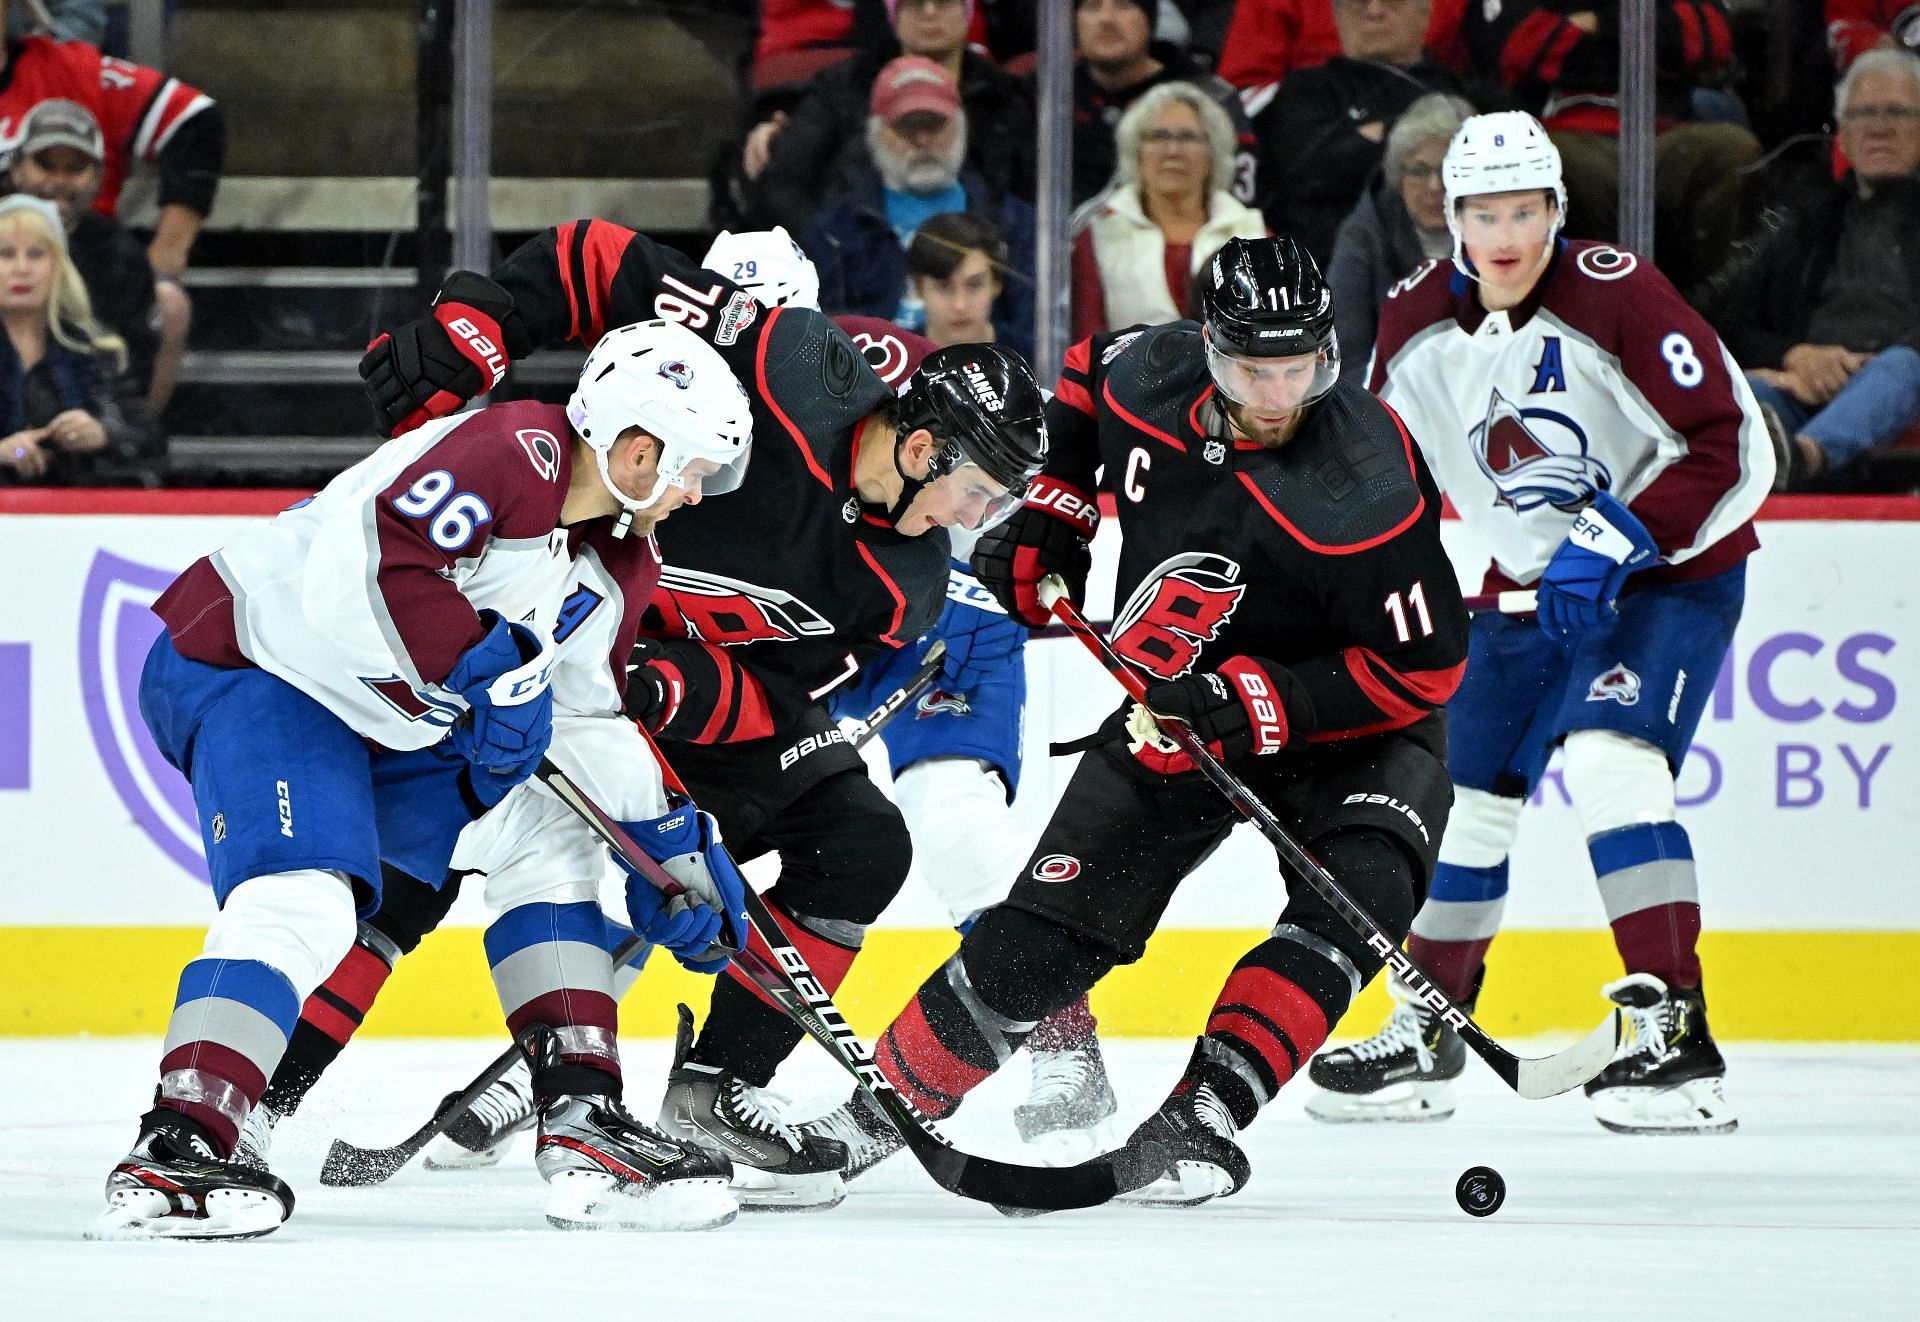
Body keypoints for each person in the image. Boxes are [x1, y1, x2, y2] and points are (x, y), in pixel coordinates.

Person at [251, 220, 1050, 1214]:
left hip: (656, 701)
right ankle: (253, 1101)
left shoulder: (908, 584)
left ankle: (712, 1089)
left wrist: (670, 693)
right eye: (975, 491)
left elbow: (789, 699)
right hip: (532, 626)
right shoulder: (789, 362)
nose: (976, 519)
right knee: (416, 863)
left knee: (858, 837)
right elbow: (601, 260)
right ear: (922, 445)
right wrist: (482, 316)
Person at [801, 235, 1470, 1207]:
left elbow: (1427, 665)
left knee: (1357, 896)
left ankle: (1203, 1109)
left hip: (1351, 720)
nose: (1280, 392)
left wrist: (1252, 702)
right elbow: (1081, 383)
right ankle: (874, 1112)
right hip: (1177, 706)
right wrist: (1054, 517)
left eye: (1300, 366)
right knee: (1046, 926)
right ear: (1207, 347)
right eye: (1253, 366)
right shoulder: (1146, 372)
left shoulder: (1366, 480)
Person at [89, 317, 759, 1239]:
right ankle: (179, 1145)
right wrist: (485, 665)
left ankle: (582, 1117)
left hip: (387, 721)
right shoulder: (512, 449)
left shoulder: (613, 556)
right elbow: (364, 569)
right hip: (258, 668)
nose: (694, 492)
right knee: (307, 897)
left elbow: (591, 717)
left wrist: (672, 849)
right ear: (637, 449)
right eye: (689, 467)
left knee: (548, 832)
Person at [1312, 110, 1772, 1135]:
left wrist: (1612, 539)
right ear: (1451, 216)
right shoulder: (1410, 319)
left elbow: (1730, 443)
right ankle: (1429, 1026)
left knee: (1614, 764)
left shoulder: (1619, 293)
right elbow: (1389, 478)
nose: (1506, 232)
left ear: (1558, 211)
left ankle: (1675, 1036)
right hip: (1523, 588)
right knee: (1464, 796)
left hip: (1665, 579)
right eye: (1484, 211)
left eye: (1526, 209)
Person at [1706, 48, 1920, 491]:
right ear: (1842, 135)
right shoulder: (1804, 218)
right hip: (1808, 390)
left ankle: (1802, 459)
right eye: (1863, 114)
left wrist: (1867, 372)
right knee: (1740, 392)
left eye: (1899, 112)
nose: (1880, 127)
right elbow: (1730, 322)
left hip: (1903, 383)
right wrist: (1793, 357)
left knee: (1902, 367)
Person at [1461, 0, 1760, 295]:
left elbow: (1711, 35)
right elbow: (1519, 48)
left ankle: (1709, 305)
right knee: (1565, 166)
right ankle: (1607, 304)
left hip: (1662, 132)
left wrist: (1600, 24)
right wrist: (1647, 45)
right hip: (1567, 130)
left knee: (1732, 150)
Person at [0, 1, 224, 385]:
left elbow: (195, 118)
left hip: (89, 281)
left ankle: (128, 439)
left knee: (166, 304)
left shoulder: (73, 70)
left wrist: (167, 254)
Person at [800, 55, 1037, 359]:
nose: (924, 140)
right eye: (907, 127)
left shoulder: (1016, 224)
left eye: (936, 125)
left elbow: (1038, 335)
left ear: (961, 125)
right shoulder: (833, 234)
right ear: (875, 132)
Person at [746, 0, 1033, 234]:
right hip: (854, 275)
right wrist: (831, 246)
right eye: (914, 2)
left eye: (944, 1)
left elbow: (1031, 196)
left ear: (967, 11)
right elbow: (780, 187)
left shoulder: (1006, 97)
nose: (929, 11)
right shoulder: (842, 86)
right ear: (894, 13)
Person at [1252, 0, 1498, 270]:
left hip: (1464, 262)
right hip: (1332, 262)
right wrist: (1416, 135)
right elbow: (1306, 172)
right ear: (1337, 16)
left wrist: (1375, 137)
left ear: (1425, 13)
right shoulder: (1306, 91)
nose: (1374, 11)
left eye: (1392, 2)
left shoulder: (1472, 92)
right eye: (1357, 3)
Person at [1069, 81, 1266, 341]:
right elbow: (1087, 344)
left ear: (1213, 152)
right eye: (1158, 136)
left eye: (1187, 137)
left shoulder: (1253, 234)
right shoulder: (1098, 235)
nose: (1172, 151)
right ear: (1136, 152)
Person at [7, 98, 168, 410]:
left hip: (88, 413)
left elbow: (135, 370)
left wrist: (107, 430)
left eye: (75, 167)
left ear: (97, 178)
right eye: (45, 164)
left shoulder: (122, 256)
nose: (58, 181)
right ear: (16, 171)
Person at [0, 194, 157, 485]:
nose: (22, 268)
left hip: (79, 511)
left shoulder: (97, 348)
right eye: (6, 254)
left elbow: (151, 445)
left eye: (36, 254)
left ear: (58, 267)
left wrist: (103, 434)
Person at [1327, 92, 1475, 377]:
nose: (1435, 186)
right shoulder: (1365, 234)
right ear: (1397, 175)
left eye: (1450, 170)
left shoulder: (1498, 236)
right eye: (1419, 171)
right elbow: (1344, 355)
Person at [1065, 0, 1259, 207]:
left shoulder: (1210, 98)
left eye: (1123, 5)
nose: (1106, 19)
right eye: (1092, 7)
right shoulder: (1043, 95)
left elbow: (1237, 206)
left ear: (1151, 20)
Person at [903, 210, 1010, 348]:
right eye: (944, 287)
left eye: (974, 285)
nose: (960, 305)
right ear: (919, 289)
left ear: (996, 284)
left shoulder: (1037, 357)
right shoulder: (893, 362)